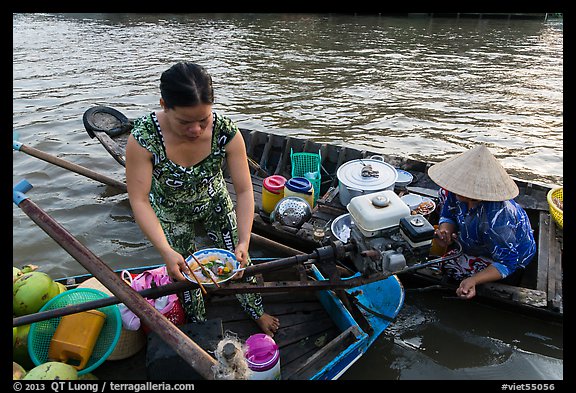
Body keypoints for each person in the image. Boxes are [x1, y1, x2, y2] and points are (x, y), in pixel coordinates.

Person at [125, 61, 280, 336]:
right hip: (171, 212)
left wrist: (244, 241)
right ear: (164, 105)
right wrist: (165, 250)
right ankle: (198, 323)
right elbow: (139, 200)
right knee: (182, 272)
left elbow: (244, 191)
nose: (196, 129)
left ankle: (255, 311)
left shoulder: (226, 133)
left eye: (203, 120)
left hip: (214, 202)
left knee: (242, 261)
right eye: (184, 122)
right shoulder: (144, 139)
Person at [428, 145, 536, 300]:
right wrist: (446, 231)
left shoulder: (497, 221)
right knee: (442, 194)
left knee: (449, 267)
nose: (454, 190)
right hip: (479, 235)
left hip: (511, 256)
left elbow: (508, 262)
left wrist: (473, 280)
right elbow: (448, 213)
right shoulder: (455, 192)